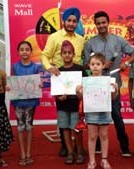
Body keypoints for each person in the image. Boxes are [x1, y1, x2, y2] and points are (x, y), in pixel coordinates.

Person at [83, 10, 134, 157]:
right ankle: (98, 146)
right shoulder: (90, 43)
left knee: (117, 116)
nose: (101, 25)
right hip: (95, 86)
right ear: (95, 25)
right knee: (96, 117)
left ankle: (124, 147)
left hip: (113, 85)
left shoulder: (118, 40)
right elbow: (85, 65)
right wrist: (100, 64)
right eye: (98, 23)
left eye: (103, 22)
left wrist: (127, 63)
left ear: (108, 23)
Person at [40, 7, 85, 156]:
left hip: (77, 81)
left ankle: (79, 148)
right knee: (63, 113)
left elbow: (84, 59)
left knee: (78, 114)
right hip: (60, 78)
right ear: (63, 21)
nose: (71, 24)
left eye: (74, 21)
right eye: (69, 20)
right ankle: (65, 146)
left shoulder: (81, 39)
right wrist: (49, 68)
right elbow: (44, 56)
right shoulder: (54, 37)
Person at [76, 53, 118, 169]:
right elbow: (81, 98)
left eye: (98, 64)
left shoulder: (108, 81)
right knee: (92, 136)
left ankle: (104, 160)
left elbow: (113, 97)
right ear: (89, 66)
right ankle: (92, 161)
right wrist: (78, 92)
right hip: (91, 112)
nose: (95, 66)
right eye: (92, 64)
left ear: (103, 65)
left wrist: (115, 90)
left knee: (104, 135)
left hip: (105, 112)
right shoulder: (86, 81)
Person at [8, 41, 43, 166]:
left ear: (31, 52)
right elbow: (11, 82)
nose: (24, 52)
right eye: (22, 49)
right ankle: (22, 153)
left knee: (29, 127)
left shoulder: (35, 67)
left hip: (31, 101)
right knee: (20, 127)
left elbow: (39, 83)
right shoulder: (14, 66)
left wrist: (40, 85)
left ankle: (28, 153)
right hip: (18, 101)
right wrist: (9, 87)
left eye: (27, 49)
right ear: (18, 52)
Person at [56, 40, 86, 164]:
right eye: (64, 53)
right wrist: (58, 96)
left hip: (76, 105)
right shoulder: (58, 71)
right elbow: (56, 89)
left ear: (74, 54)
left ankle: (79, 151)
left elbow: (86, 86)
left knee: (77, 130)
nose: (67, 55)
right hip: (62, 105)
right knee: (65, 129)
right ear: (61, 55)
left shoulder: (80, 69)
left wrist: (81, 93)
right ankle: (69, 152)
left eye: (69, 52)